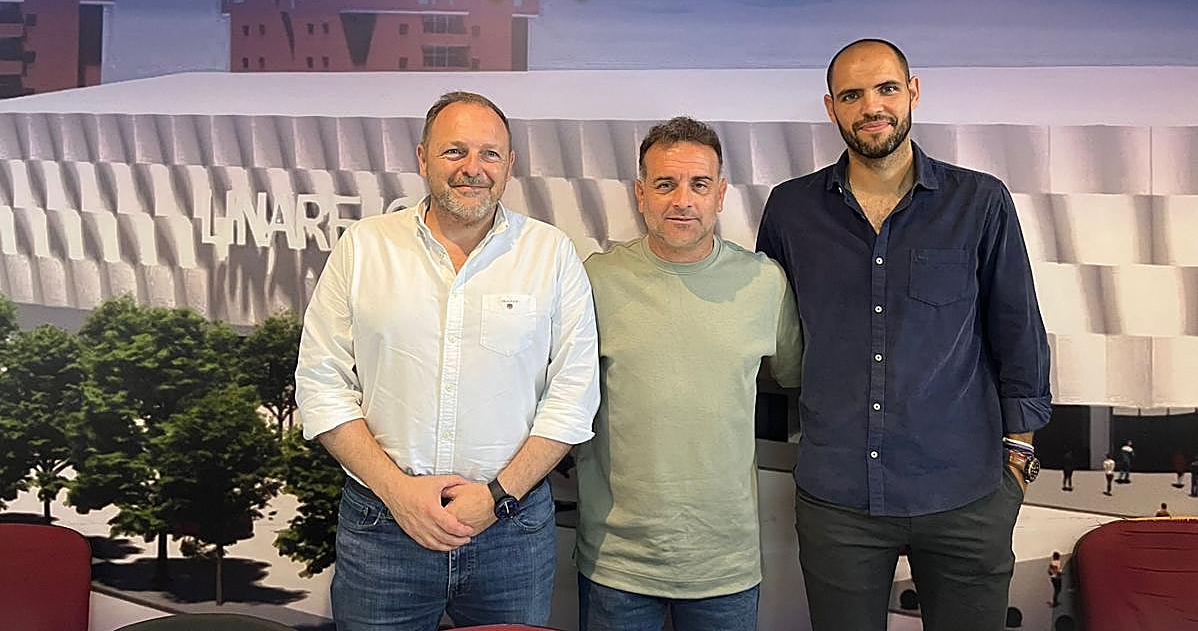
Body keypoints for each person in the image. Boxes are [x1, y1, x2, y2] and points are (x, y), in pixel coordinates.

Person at [757, 39, 1052, 631]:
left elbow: (1018, 332)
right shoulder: (791, 210)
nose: (872, 106)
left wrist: (1018, 459)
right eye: (852, 95)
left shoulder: (980, 202)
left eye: (887, 89)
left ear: (913, 92)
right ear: (831, 107)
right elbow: (769, 333)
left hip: (966, 496)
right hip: (838, 501)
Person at [294, 91, 601, 631]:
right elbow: (321, 385)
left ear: (509, 164)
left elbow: (574, 395)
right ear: (422, 158)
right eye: (454, 151)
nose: (472, 168)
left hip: (510, 529)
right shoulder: (364, 247)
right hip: (383, 526)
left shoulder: (550, 254)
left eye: (490, 154)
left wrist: (497, 496)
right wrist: (398, 493)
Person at [574, 117, 803, 631]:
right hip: (617, 562)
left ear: (720, 194)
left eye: (699, 184)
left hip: (724, 563)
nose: (682, 200)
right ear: (640, 194)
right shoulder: (594, 280)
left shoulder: (763, 283)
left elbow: (797, 378)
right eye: (665, 184)